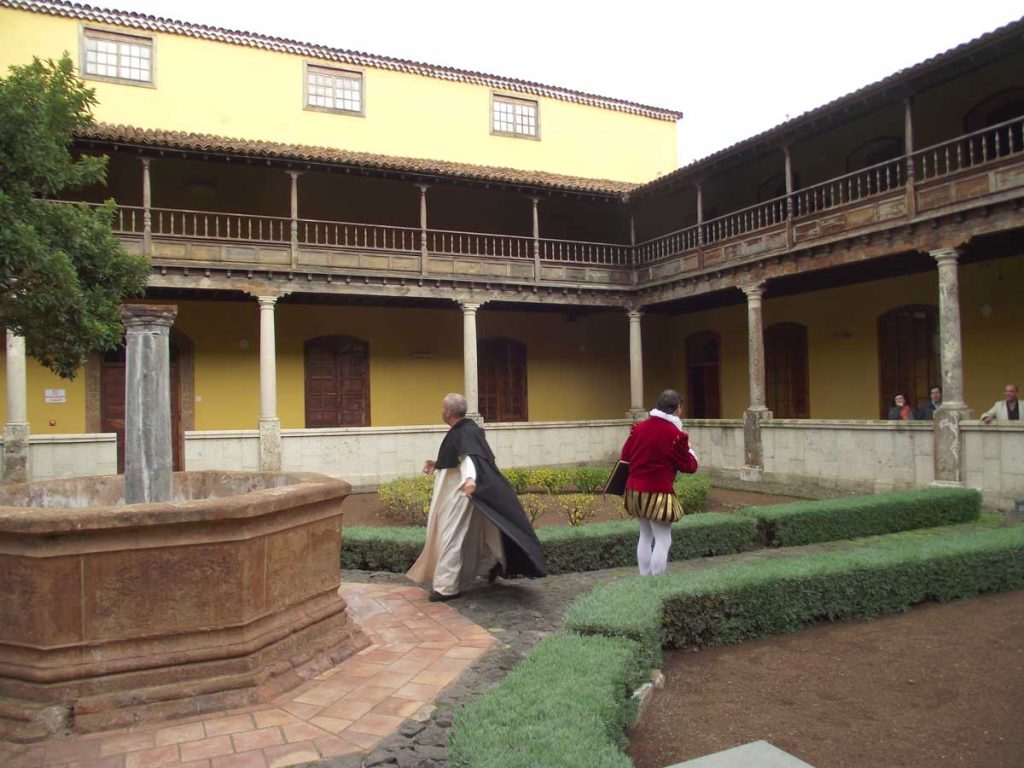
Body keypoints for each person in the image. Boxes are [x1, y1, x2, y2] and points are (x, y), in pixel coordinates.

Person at [406, 393, 545, 601]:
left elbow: (469, 458)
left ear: (448, 412)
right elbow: (460, 457)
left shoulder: (464, 433)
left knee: (450, 537)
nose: (441, 411)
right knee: (483, 531)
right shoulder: (467, 430)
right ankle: (491, 564)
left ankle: (446, 587)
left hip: (460, 494)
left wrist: (470, 480)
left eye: (443, 408)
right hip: (464, 492)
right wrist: (437, 463)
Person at [618, 389, 699, 576]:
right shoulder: (675, 435)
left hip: (634, 490)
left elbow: (625, 456)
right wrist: (691, 452)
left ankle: (644, 578)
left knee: (645, 535)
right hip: (658, 493)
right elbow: (690, 466)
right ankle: (656, 583)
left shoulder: (638, 428)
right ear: (678, 409)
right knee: (663, 540)